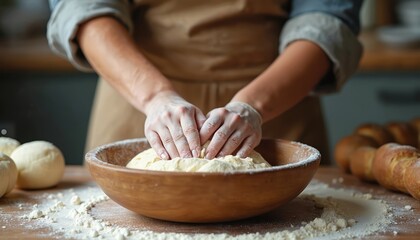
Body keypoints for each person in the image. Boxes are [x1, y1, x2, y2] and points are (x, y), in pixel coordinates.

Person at [47, 0, 363, 164]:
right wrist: (156, 97)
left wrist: (253, 105)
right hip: (137, 101)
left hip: (278, 105)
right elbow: (82, 7)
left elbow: (326, 18)